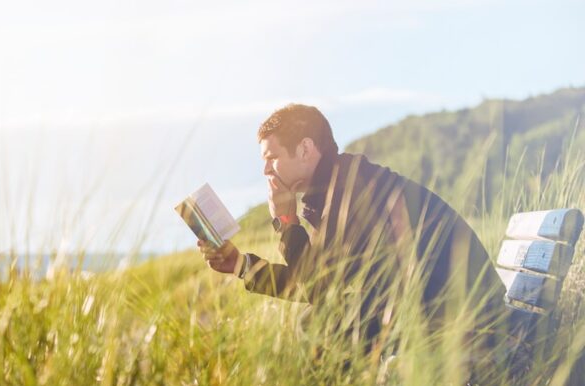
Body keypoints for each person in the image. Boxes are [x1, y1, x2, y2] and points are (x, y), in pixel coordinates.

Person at [198, 103, 511, 370]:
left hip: (467, 322)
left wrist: (286, 220)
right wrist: (239, 264)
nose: (266, 169)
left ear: (305, 149)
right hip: (440, 310)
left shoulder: (352, 191)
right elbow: (319, 283)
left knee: (318, 322)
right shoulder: (337, 186)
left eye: (272, 157)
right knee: (319, 319)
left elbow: (318, 288)